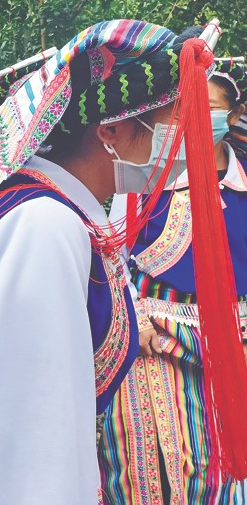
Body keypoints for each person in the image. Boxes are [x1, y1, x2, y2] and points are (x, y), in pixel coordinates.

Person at [0, 20, 246, 504]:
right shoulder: (45, 227)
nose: (192, 138)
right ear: (112, 130)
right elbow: (34, 440)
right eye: (179, 120)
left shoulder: (38, 208)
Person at [98, 59, 247, 504]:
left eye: (210, 107)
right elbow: (111, 253)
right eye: (188, 107)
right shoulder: (146, 175)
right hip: (157, 335)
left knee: (226, 462)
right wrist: (133, 318)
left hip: (234, 341)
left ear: (234, 115)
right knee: (162, 462)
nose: (198, 117)